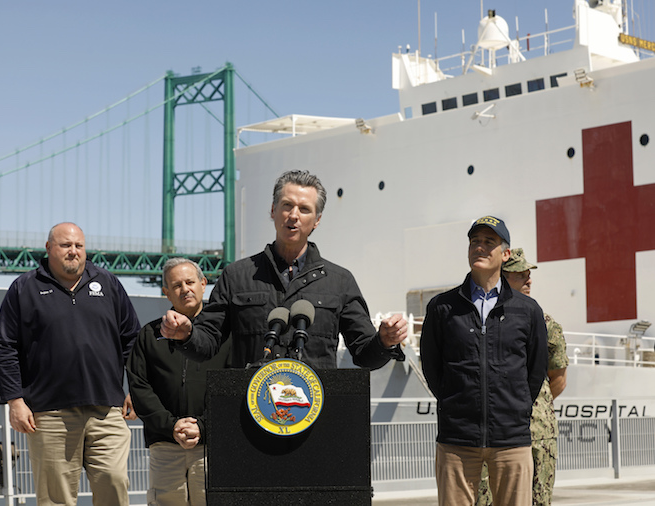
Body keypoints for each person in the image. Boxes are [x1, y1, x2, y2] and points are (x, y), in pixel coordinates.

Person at [160, 169, 408, 369]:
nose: (294, 215)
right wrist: (187, 334)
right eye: (287, 205)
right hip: (251, 412)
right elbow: (209, 343)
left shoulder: (340, 281)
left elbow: (364, 354)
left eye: (304, 209)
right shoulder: (236, 276)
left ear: (317, 220)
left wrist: (385, 341)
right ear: (273, 210)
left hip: (316, 414)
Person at [0, 222, 141, 506]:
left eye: (79, 246)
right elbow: (5, 346)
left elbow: (132, 339)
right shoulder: (24, 288)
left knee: (114, 481)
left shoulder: (108, 283)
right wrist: (14, 401)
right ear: (49, 248)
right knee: (55, 499)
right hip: (50, 414)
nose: (73, 252)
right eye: (65, 245)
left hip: (106, 410)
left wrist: (135, 388)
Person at [420, 216, 548, 506]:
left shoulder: (527, 311)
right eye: (474, 242)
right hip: (457, 438)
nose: (480, 247)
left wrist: (516, 407)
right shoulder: (442, 307)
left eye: (489, 242)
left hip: (511, 438)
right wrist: (455, 403)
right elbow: (432, 365)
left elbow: (536, 369)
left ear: (505, 254)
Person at [127, 258, 231, 506]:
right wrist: (171, 426)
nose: (185, 289)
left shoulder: (226, 336)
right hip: (165, 446)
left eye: (190, 282)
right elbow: (139, 387)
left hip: (213, 445)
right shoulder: (149, 336)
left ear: (203, 284)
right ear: (166, 293)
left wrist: (204, 426)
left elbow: (234, 386)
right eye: (176, 285)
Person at [476, 248, 568, 506]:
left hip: (536, 431)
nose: (529, 280)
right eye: (520, 275)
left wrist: (523, 407)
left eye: (529, 275)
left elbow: (557, 379)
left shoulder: (546, 323)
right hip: (488, 433)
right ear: (502, 278)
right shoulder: (480, 318)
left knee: (537, 501)